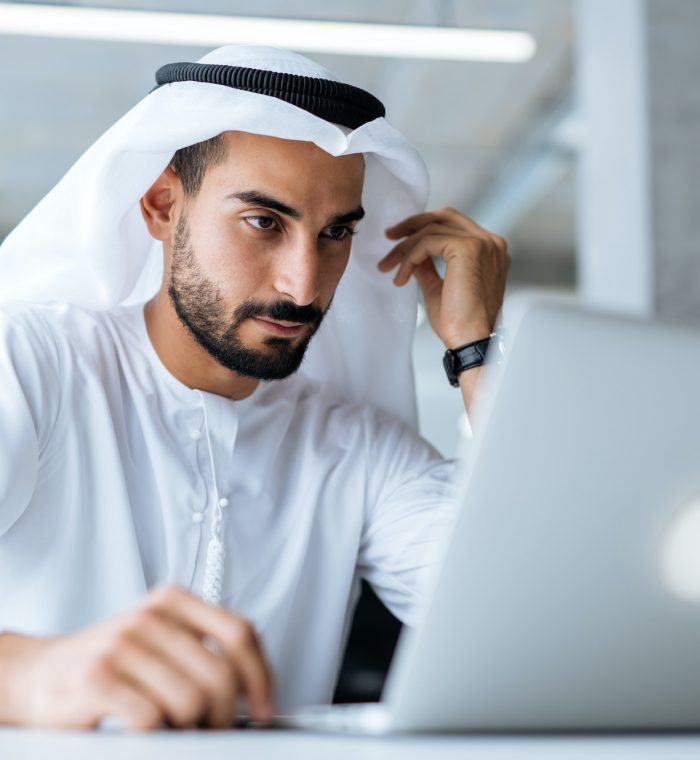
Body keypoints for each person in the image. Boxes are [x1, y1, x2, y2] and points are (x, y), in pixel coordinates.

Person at [0, 45, 508, 730]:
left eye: (334, 233)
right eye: (264, 223)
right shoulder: (33, 365)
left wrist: (477, 352)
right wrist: (33, 676)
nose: (303, 283)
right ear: (160, 207)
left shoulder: (356, 447)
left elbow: (538, 623)